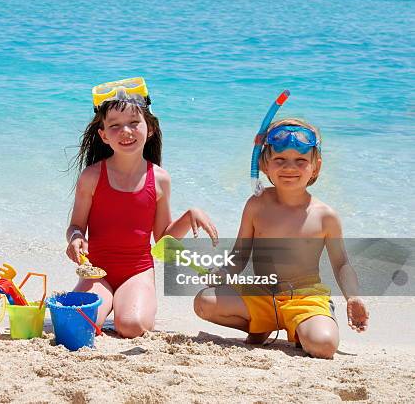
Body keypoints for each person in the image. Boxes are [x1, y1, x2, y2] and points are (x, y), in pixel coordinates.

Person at [193, 93, 369, 359]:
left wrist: (353, 297)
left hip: (306, 298)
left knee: (323, 346)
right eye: (280, 160)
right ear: (265, 164)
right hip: (263, 293)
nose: (290, 168)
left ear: (316, 166)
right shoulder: (256, 205)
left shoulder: (325, 216)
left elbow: (341, 263)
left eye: (300, 161)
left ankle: (299, 324)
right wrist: (221, 273)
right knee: (205, 302)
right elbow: (239, 256)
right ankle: (266, 323)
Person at [66, 77, 218, 338]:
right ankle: (108, 299)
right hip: (97, 270)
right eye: (114, 126)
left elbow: (161, 240)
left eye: (134, 123)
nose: (125, 131)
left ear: (150, 129)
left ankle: (125, 301)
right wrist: (76, 239)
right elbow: (75, 226)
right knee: (80, 324)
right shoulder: (91, 177)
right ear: (103, 135)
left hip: (136, 272)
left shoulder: (159, 179)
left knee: (132, 326)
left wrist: (189, 215)